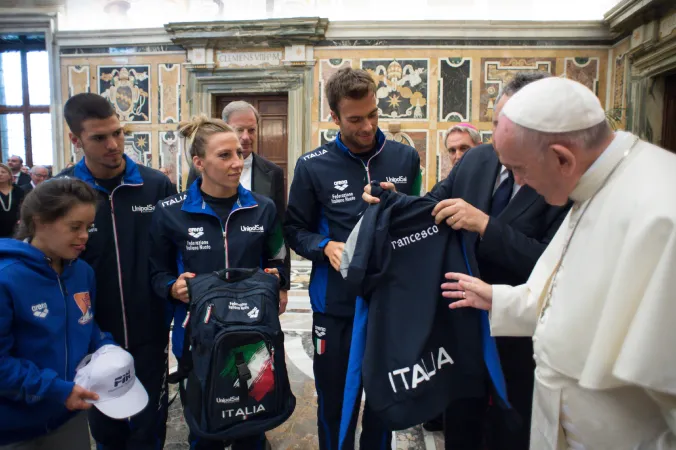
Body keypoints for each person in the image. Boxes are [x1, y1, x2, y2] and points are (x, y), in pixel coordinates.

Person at [443, 76, 676, 449]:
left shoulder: (664, 211)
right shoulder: (591, 184)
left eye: (519, 169)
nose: (516, 181)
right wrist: (499, 299)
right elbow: (567, 296)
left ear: (562, 158)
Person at [363, 72, 571, 450]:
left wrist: (486, 227)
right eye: (497, 123)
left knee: (513, 428)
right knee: (461, 422)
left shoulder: (563, 179)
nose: (501, 134)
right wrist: (395, 201)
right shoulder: (477, 159)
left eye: (514, 125)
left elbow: (552, 264)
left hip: (519, 339)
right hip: (461, 326)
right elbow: (434, 204)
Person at [284, 67, 423, 450]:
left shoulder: (405, 158)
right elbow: (294, 229)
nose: (367, 126)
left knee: (382, 400)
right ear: (334, 117)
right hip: (335, 305)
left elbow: (417, 223)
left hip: (387, 303)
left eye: (373, 114)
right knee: (334, 402)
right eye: (355, 119)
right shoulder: (312, 165)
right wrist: (325, 246)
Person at [149, 115, 287, 450]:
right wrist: (171, 286)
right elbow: (155, 273)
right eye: (225, 156)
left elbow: (278, 254)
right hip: (197, 338)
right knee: (205, 428)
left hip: (251, 335)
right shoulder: (170, 212)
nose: (237, 163)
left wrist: (278, 282)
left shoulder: (262, 208)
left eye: (238, 154)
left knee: (253, 421)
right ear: (199, 162)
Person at [58, 93, 176, 450]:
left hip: (150, 329)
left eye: (118, 133)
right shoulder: (63, 192)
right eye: (99, 138)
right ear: (75, 140)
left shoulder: (156, 186)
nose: (113, 145)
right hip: (92, 336)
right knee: (106, 427)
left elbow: (174, 254)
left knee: (149, 424)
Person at [0, 177, 117, 449]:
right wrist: (55, 390)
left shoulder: (82, 272)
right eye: (74, 227)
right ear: (40, 221)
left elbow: (85, 323)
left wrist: (107, 349)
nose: (85, 236)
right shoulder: (7, 278)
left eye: (89, 227)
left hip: (67, 416)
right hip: (13, 426)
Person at [187, 101, 290, 313]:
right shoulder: (199, 170)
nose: (246, 136)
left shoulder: (273, 173)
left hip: (255, 284)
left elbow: (279, 233)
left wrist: (283, 284)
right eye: (239, 130)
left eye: (251, 130)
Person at [0, 163, 25, 238]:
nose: (0, 174)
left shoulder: (18, 190)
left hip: (16, 229)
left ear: (10, 175)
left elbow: (24, 206)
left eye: (3, 172)